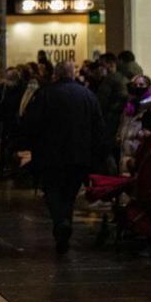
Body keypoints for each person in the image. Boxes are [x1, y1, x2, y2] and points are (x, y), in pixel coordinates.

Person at [22, 61, 103, 255]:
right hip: (79, 155)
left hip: (51, 154)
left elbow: (31, 123)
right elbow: (98, 126)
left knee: (52, 191)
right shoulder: (87, 96)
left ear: (56, 75)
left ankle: (60, 222)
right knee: (69, 193)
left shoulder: (46, 94)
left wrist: (29, 146)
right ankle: (64, 226)